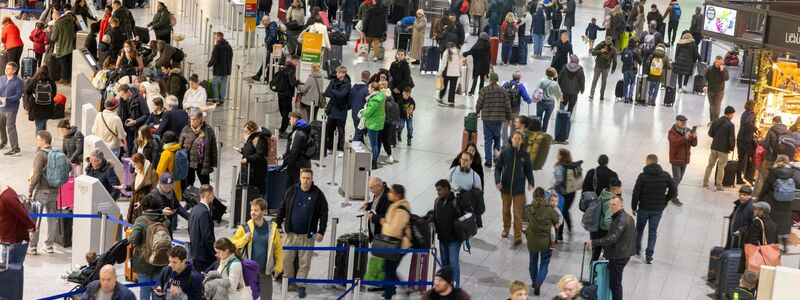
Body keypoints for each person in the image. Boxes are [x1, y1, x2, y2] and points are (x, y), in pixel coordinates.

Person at [274, 168, 328, 299]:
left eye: (308, 178)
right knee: (286, 259)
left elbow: (324, 214)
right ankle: (288, 280)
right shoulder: (292, 191)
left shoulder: (318, 194)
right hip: (290, 234)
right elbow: (282, 208)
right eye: (303, 178)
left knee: (305, 262)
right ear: (300, 177)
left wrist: (321, 231)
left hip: (307, 236)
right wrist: (277, 224)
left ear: (312, 179)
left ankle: (301, 285)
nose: (305, 181)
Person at [231, 198, 283, 300]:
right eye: (251, 210)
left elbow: (278, 249)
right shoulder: (245, 227)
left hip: (266, 273)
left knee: (266, 298)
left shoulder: (272, 228)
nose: (252, 213)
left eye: (256, 210)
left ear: (263, 212)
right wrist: (244, 239)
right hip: (248, 272)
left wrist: (278, 267)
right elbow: (232, 245)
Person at [631, 154, 677, 264]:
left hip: (644, 208)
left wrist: (633, 206)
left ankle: (637, 250)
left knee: (639, 230)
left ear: (648, 161)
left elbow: (636, 193)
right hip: (657, 209)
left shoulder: (642, 176)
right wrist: (665, 200)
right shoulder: (665, 175)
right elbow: (674, 191)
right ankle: (649, 255)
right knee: (653, 232)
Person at [587, 196, 635, 300]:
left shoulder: (620, 219)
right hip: (624, 254)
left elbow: (612, 238)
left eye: (614, 204)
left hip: (618, 256)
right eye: (610, 204)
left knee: (615, 285)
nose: (611, 207)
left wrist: (594, 242)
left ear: (621, 205)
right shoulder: (628, 217)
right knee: (615, 282)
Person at [429, 180, 472, 288]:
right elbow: (434, 214)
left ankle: (456, 289)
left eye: (440, 190)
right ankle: (446, 287)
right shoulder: (437, 201)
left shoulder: (456, 202)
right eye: (437, 190)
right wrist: (432, 222)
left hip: (454, 239)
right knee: (445, 265)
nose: (438, 192)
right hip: (442, 238)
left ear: (447, 189)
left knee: (453, 265)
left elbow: (465, 216)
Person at [128, 194, 170, 300]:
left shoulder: (141, 220)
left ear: (145, 205)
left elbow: (134, 240)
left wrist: (129, 238)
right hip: (161, 260)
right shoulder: (165, 221)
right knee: (158, 289)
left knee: (144, 290)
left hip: (143, 261)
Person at [495, 131, 535, 245]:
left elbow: (528, 170)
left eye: (519, 138)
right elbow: (498, 168)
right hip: (506, 188)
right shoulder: (505, 153)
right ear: (512, 139)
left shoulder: (525, 156)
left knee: (517, 213)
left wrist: (531, 182)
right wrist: (498, 181)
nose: (517, 140)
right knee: (506, 210)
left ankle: (518, 235)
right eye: (515, 138)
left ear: (522, 141)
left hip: (519, 190)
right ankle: (506, 228)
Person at [26, 131, 60, 255]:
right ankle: (49, 246)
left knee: (36, 219)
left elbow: (36, 174)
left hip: (41, 190)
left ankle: (33, 247)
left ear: (44, 141)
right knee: (52, 219)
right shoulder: (57, 152)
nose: (36, 141)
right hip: (54, 190)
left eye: (38, 139)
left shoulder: (40, 155)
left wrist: (30, 189)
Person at [524, 187, 560, 296]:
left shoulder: (528, 209)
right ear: (545, 197)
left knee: (532, 262)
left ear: (534, 196)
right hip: (546, 242)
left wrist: (527, 234)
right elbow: (557, 222)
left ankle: (534, 282)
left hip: (532, 240)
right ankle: (539, 283)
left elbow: (524, 223)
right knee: (544, 263)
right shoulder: (550, 210)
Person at [379, 184, 412, 299]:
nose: (388, 193)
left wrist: (382, 222)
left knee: (389, 270)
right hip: (394, 244)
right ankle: (403, 288)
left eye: (391, 192)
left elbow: (394, 230)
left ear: (398, 195)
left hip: (399, 245)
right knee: (389, 269)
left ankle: (388, 295)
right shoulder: (395, 206)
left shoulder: (401, 210)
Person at [756, 155, 796, 248]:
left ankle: (772, 245)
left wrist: (759, 199)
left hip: (773, 201)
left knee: (773, 222)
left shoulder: (773, 172)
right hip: (787, 202)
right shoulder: (792, 173)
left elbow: (765, 187)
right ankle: (785, 244)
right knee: (785, 222)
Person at [476, 72, 512, 167]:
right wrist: (509, 118)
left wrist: (476, 112)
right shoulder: (503, 91)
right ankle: (496, 159)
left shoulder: (484, 90)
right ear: (497, 80)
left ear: (490, 80)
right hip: (499, 120)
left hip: (487, 120)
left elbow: (479, 103)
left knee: (488, 141)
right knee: (497, 139)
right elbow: (507, 106)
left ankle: (488, 161)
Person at [179, 109, 218, 189]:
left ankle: (206, 200)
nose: (192, 121)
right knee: (189, 183)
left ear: (200, 119)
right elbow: (180, 144)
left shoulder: (208, 130)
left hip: (203, 162)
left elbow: (213, 146)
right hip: (189, 162)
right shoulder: (186, 129)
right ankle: (189, 200)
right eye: (191, 119)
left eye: (194, 119)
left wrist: (213, 162)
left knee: (205, 184)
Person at [0, 183, 36, 263]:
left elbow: (22, 214)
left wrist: (31, 226)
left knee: (11, 272)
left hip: (14, 243)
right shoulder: (5, 194)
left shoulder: (7, 198)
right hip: (9, 241)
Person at [704, 106, 736, 191]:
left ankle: (705, 182)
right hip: (723, 149)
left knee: (710, 165)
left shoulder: (716, 121)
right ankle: (719, 185)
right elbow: (731, 138)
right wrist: (732, 148)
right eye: (732, 114)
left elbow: (710, 133)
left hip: (714, 147)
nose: (732, 116)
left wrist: (717, 137)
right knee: (721, 167)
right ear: (730, 114)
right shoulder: (730, 125)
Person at [740, 202, 779, 272]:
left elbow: (752, 241)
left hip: (757, 258)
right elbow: (776, 242)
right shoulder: (775, 224)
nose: (753, 210)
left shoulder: (757, 222)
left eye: (755, 209)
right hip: (770, 259)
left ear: (761, 211)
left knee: (751, 278)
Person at [667, 115, 697, 206]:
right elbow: (675, 143)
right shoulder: (672, 132)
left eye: (685, 121)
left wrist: (694, 137)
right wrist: (685, 138)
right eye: (681, 121)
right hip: (676, 158)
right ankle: (673, 197)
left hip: (685, 159)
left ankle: (669, 190)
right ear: (677, 121)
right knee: (677, 178)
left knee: (678, 179)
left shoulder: (688, 130)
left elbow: (694, 144)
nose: (684, 123)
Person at [590, 178, 623, 262]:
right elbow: (607, 220)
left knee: (596, 253)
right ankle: (603, 273)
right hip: (605, 231)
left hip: (598, 229)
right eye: (621, 187)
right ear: (616, 188)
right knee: (609, 255)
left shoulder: (604, 194)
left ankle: (592, 272)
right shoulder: (611, 201)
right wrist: (614, 230)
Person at [121, 153, 158, 222]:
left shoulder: (152, 173)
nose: (134, 167)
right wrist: (127, 187)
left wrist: (142, 202)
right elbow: (135, 188)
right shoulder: (137, 172)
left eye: (135, 164)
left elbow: (154, 192)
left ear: (140, 163)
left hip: (145, 206)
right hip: (135, 204)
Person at [280, 112, 313, 188]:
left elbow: (294, 152)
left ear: (295, 119)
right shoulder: (305, 128)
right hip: (305, 163)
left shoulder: (297, 133)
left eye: (290, 119)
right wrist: (284, 155)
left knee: (290, 188)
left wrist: (287, 163)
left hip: (296, 166)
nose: (289, 121)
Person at [189, 184, 217, 272]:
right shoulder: (204, 212)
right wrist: (214, 252)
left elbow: (189, 229)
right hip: (205, 256)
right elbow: (207, 236)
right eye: (213, 195)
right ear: (208, 195)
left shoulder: (194, 209)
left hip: (195, 253)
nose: (213, 197)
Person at [118, 84, 151, 155]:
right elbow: (120, 114)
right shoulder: (122, 100)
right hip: (127, 128)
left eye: (123, 95)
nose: (122, 97)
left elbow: (146, 114)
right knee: (129, 148)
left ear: (128, 91)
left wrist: (135, 121)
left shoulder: (139, 98)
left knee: (136, 148)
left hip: (137, 128)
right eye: (121, 95)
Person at [23, 67, 57, 132]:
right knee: (44, 123)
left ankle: (40, 140)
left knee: (39, 125)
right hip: (48, 106)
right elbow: (54, 94)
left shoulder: (34, 80)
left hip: (36, 106)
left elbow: (27, 91)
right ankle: (44, 139)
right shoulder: (51, 81)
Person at [501, 71, 532, 143]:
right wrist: (529, 101)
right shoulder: (520, 86)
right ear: (519, 78)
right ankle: (512, 141)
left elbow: (500, 93)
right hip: (515, 110)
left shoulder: (506, 84)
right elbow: (526, 97)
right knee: (514, 126)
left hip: (505, 110)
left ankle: (504, 142)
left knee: (504, 126)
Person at [0, 62, 24, 156]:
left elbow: (18, 96)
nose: (6, 69)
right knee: (1, 126)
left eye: (9, 68)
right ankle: (3, 141)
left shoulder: (18, 82)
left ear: (14, 70)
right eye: (6, 68)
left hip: (11, 108)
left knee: (10, 127)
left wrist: (6, 99)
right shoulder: (2, 78)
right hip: (1, 107)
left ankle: (15, 148)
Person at [239, 121, 268, 195]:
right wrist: (242, 151)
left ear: (252, 130)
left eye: (246, 131)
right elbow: (251, 150)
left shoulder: (259, 139)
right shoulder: (250, 138)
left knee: (253, 193)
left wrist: (248, 159)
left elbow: (260, 154)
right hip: (248, 170)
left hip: (255, 171)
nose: (245, 133)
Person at [362, 82, 387, 169]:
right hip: (379, 122)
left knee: (374, 145)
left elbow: (368, 113)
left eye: (369, 87)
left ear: (373, 89)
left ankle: (373, 162)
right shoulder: (381, 96)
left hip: (373, 124)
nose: (368, 89)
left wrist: (362, 112)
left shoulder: (374, 100)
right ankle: (374, 161)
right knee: (376, 143)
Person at [275, 55, 301, 138]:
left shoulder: (284, 67)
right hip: (287, 94)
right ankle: (282, 130)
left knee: (283, 111)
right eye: (298, 62)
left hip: (280, 93)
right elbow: (292, 83)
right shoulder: (291, 69)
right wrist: (298, 81)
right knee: (287, 113)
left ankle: (283, 126)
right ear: (295, 61)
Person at [51, 8, 77, 83]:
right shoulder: (68, 20)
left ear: (55, 18)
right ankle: (69, 77)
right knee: (68, 63)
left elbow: (53, 37)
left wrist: (52, 30)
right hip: (70, 45)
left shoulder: (57, 24)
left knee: (63, 63)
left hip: (62, 47)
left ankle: (65, 78)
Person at [360, 176, 391, 241]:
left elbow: (388, 216)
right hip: (374, 231)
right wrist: (368, 205)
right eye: (370, 188)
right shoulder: (378, 192)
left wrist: (373, 217)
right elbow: (376, 204)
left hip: (382, 235)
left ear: (379, 186)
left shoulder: (388, 197)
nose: (371, 191)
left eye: (372, 188)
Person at [588, 37, 617, 101]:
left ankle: (602, 95)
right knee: (595, 80)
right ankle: (591, 94)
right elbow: (593, 53)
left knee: (604, 81)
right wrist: (600, 51)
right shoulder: (600, 45)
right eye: (606, 41)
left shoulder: (613, 49)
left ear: (610, 42)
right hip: (598, 66)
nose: (606, 43)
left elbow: (615, 59)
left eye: (608, 42)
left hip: (606, 67)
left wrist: (613, 69)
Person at [250, 15, 279, 81]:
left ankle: (260, 75)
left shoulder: (271, 26)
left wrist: (266, 42)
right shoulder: (270, 26)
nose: (262, 22)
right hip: (271, 47)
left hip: (272, 48)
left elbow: (272, 35)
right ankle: (268, 76)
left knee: (267, 62)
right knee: (270, 63)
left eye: (263, 21)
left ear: (267, 21)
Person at [208, 32, 233, 104]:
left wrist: (209, 64)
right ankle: (222, 99)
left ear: (219, 37)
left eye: (216, 37)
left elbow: (214, 58)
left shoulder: (217, 47)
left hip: (218, 69)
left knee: (214, 83)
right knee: (224, 84)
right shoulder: (228, 46)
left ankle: (216, 98)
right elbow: (231, 56)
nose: (215, 38)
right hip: (226, 69)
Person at [737, 100, 757, 185]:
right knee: (754, 157)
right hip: (747, 140)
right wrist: (755, 129)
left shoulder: (744, 113)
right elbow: (748, 122)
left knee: (740, 159)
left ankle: (738, 178)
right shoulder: (751, 114)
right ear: (753, 106)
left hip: (740, 138)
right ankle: (749, 177)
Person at [705, 56, 730, 123]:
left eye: (720, 62)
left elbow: (726, 78)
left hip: (719, 91)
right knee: (712, 106)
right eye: (717, 62)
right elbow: (705, 78)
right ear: (715, 61)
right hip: (710, 90)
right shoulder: (710, 69)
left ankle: (715, 122)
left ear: (722, 62)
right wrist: (705, 85)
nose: (719, 64)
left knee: (717, 106)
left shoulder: (724, 69)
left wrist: (722, 71)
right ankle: (711, 121)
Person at [536, 68, 562, 134]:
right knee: (546, 119)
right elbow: (559, 95)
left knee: (538, 118)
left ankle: (538, 131)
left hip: (541, 102)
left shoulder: (543, 82)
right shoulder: (555, 84)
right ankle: (544, 132)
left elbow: (537, 90)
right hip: (550, 103)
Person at [437, 42, 463, 107]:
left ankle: (440, 97)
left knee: (444, 86)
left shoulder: (446, 52)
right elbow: (460, 64)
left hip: (447, 73)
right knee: (452, 88)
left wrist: (439, 73)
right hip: (455, 74)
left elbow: (443, 64)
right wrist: (460, 72)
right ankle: (451, 102)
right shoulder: (458, 52)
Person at [350, 70, 370, 142]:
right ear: (369, 78)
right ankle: (355, 147)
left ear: (361, 76)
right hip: (362, 115)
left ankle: (360, 148)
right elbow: (368, 103)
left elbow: (350, 99)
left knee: (358, 131)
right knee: (359, 133)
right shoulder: (367, 89)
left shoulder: (353, 87)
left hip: (354, 113)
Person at [620, 39, 642, 103]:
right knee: (632, 82)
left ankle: (625, 97)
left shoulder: (625, 49)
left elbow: (622, 59)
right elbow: (640, 61)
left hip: (625, 68)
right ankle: (630, 97)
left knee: (625, 83)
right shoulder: (636, 50)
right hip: (633, 68)